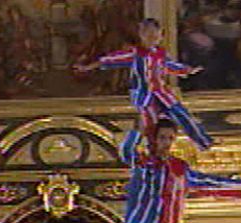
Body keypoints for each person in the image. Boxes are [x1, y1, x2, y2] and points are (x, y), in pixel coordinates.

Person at [75, 18, 211, 151]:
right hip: (144, 95)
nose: (153, 38)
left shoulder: (160, 53)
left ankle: (202, 142)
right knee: (150, 125)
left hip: (162, 93)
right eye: (149, 35)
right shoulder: (135, 54)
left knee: (181, 113)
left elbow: (169, 65)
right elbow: (110, 60)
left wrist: (187, 70)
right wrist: (88, 67)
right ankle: (153, 151)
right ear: (142, 35)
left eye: (156, 35)